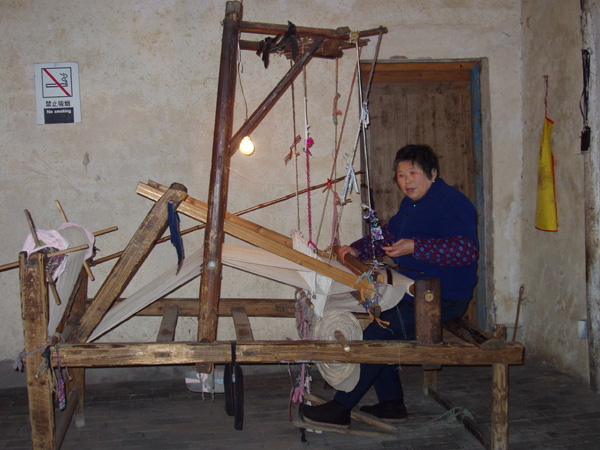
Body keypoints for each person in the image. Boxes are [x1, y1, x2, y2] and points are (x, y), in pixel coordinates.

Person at [301, 144, 479, 428]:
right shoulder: (412, 204)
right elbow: (390, 234)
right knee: (382, 325)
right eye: (400, 175)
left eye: (413, 173)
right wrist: (357, 249)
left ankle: (341, 408)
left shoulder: (453, 203)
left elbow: (466, 250)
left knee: (378, 333)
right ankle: (392, 404)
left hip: (442, 297)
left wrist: (416, 247)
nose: (406, 181)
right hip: (412, 289)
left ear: (432, 173)